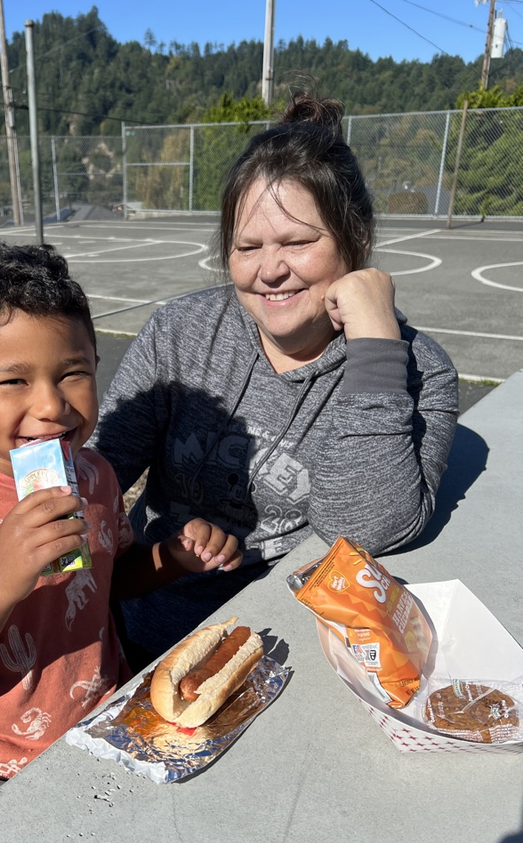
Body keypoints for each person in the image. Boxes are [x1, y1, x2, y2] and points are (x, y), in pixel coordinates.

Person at [0, 240, 242, 843]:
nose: (51, 406)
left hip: (102, 722)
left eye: (73, 373)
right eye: (13, 381)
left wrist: (170, 560)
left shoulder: (92, 476)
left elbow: (104, 582)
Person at [92, 93, 459, 664]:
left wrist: (375, 345)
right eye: (247, 247)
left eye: (298, 242)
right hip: (141, 622)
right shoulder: (180, 332)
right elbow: (99, 473)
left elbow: (364, 533)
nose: (270, 270)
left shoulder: (415, 369)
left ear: (355, 238)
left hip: (278, 645)